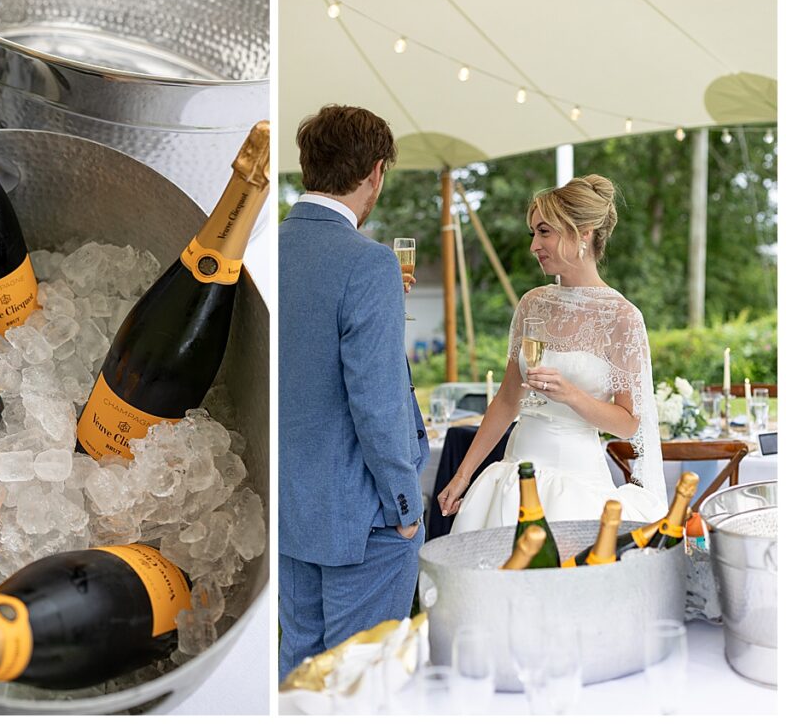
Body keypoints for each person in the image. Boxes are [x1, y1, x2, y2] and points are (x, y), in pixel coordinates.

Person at [278, 105, 428, 681]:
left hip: (293, 516)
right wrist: (404, 507)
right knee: (364, 684)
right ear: (376, 171)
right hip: (364, 520)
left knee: (302, 678)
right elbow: (377, 401)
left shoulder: (269, 252)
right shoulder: (370, 263)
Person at [438, 174, 668, 532]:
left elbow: (628, 423)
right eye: (534, 233)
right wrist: (463, 474)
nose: (534, 245)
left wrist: (571, 394)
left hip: (577, 483)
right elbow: (506, 400)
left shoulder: (622, 317)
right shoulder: (533, 304)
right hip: (513, 475)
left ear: (584, 232)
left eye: (545, 232)